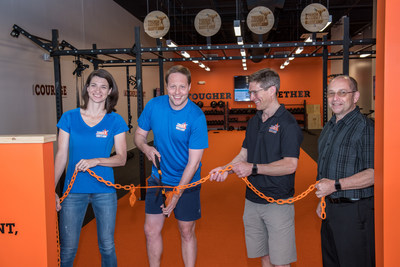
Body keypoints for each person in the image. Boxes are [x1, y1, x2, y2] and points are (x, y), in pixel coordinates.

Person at [210, 68, 303, 267]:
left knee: (281, 260)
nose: (252, 97)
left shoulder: (288, 124)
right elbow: (244, 153)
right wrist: (225, 169)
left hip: (277, 201)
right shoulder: (254, 122)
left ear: (271, 90)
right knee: (264, 256)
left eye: (255, 92)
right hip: (252, 200)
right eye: (250, 92)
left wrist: (252, 168)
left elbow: (290, 165)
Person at [134, 65, 208, 267]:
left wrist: (175, 196)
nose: (177, 92)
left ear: (190, 87)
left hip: (187, 181)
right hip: (158, 178)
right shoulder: (154, 106)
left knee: (186, 231)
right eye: (172, 86)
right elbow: (139, 136)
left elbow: (193, 164)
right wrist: (146, 148)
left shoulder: (196, 117)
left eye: (182, 87)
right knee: (150, 230)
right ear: (166, 86)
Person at [54, 69, 128, 267]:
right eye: (94, 85)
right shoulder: (69, 118)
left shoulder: (115, 121)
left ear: (109, 91)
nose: (98, 90)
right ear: (87, 88)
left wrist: (97, 160)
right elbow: (61, 155)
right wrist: (51, 189)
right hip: (73, 191)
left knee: (107, 246)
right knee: (67, 249)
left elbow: (121, 158)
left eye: (103, 86)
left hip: (104, 191)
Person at [315, 75, 375, 267]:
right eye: (331, 93)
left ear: (355, 97)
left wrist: (334, 185)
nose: (335, 98)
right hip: (330, 210)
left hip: (354, 213)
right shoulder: (329, 126)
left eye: (342, 93)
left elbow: (374, 174)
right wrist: (323, 200)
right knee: (331, 262)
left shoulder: (365, 128)